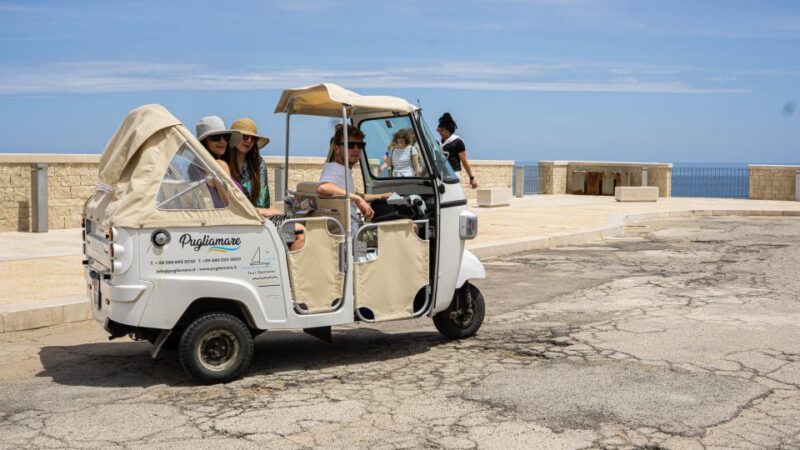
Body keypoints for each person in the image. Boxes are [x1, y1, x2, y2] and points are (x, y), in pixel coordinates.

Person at [228, 117, 304, 251]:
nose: (249, 141)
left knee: (293, 222)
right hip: (236, 218)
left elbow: (262, 199)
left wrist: (264, 212)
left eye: (253, 138)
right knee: (299, 232)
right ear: (234, 138)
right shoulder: (223, 165)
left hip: (258, 218)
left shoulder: (258, 164)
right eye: (245, 136)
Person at [317, 124, 392, 236]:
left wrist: (379, 196)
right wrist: (357, 199)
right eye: (350, 145)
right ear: (336, 148)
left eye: (360, 145)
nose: (356, 149)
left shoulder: (342, 169)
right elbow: (323, 187)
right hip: (351, 238)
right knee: (411, 226)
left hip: (353, 231)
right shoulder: (335, 168)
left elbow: (348, 194)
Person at [437, 112, 478, 188]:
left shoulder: (458, 142)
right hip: (441, 175)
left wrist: (471, 178)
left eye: (441, 130)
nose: (439, 132)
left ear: (448, 130)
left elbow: (464, 161)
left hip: (453, 174)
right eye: (438, 130)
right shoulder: (440, 143)